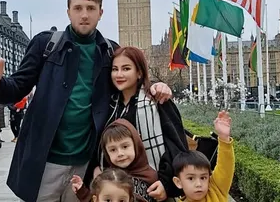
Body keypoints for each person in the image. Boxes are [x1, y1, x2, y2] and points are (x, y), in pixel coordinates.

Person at [0, 0, 171, 202]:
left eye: (91, 8)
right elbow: (17, 88)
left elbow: (129, 81)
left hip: (85, 163)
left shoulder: (110, 51)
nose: (84, 15)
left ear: (100, 13)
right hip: (45, 160)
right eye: (78, 8)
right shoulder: (45, 44)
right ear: (68, 12)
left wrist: (154, 86)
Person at [98, 46, 188, 200]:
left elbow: (177, 146)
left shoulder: (157, 100)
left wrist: (166, 184)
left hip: (154, 189)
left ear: (139, 72)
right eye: (115, 69)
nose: (119, 74)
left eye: (126, 69)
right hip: (117, 191)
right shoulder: (109, 105)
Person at [72, 119, 157, 202]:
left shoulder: (152, 177)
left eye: (125, 147)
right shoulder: (107, 178)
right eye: (113, 150)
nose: (120, 153)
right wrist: (83, 193)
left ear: (136, 144)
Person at [172, 111, 234, 202]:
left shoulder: (216, 190)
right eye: (191, 178)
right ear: (178, 182)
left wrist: (224, 138)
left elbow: (225, 167)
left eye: (203, 178)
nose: (198, 184)